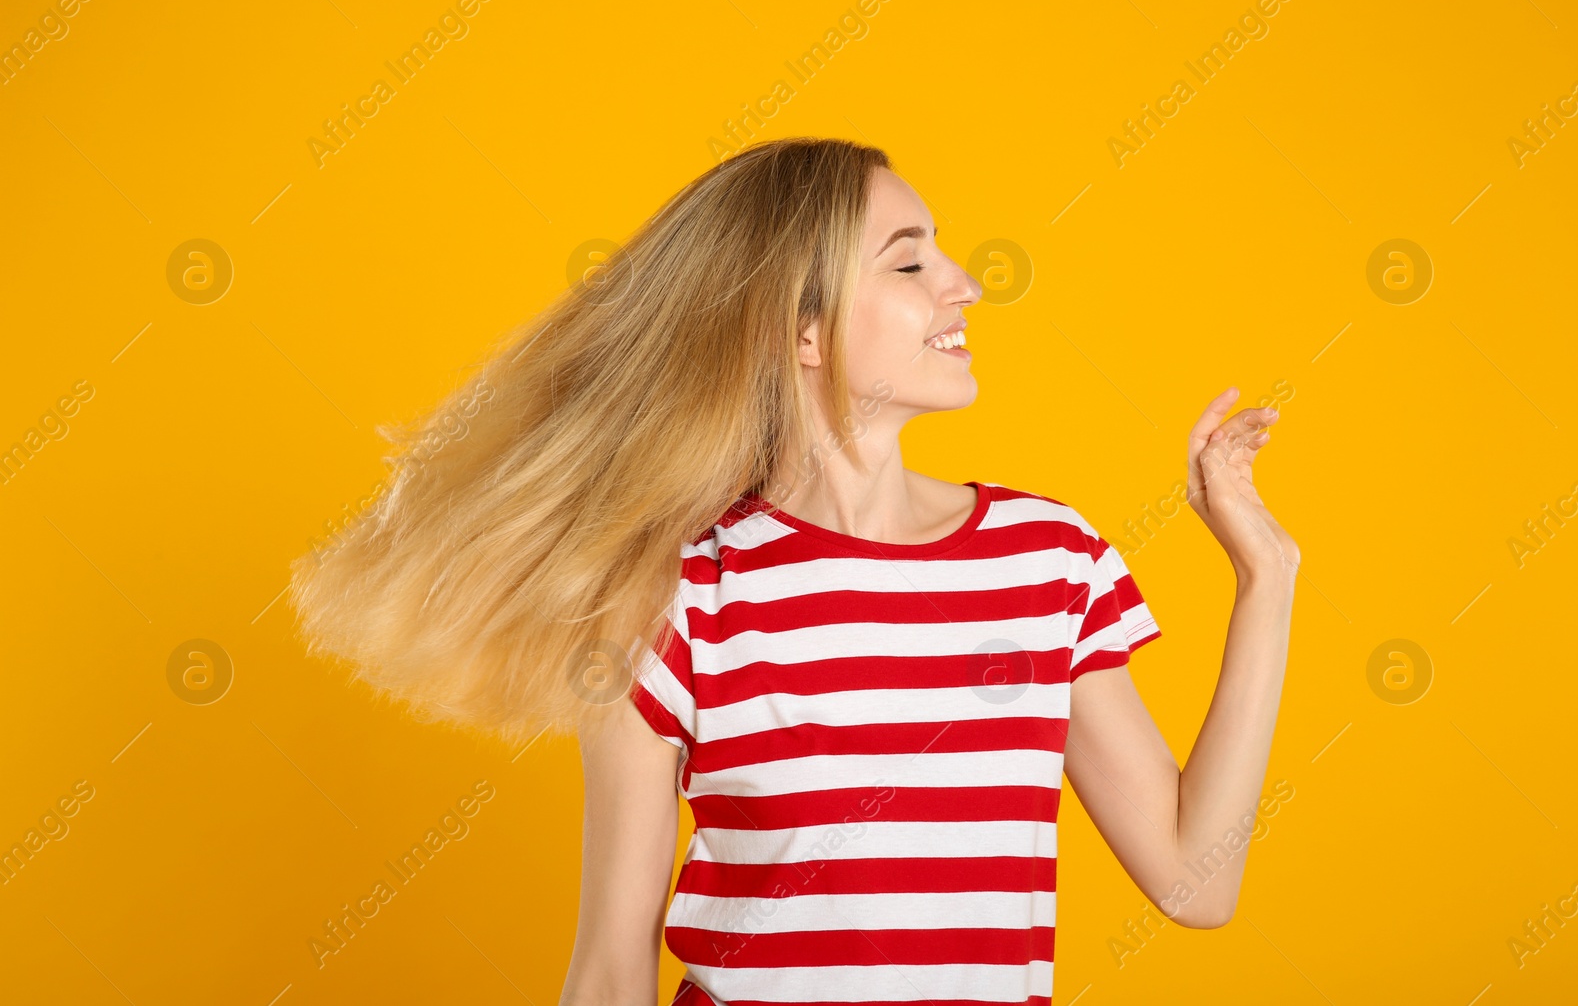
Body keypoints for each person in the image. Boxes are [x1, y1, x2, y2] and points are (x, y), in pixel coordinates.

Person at [288, 137, 1298, 1005]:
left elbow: (1192, 881)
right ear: (799, 328)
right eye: (909, 265)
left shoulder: (1048, 561)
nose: (964, 281)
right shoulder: (671, 595)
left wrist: (1268, 575)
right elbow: (607, 967)